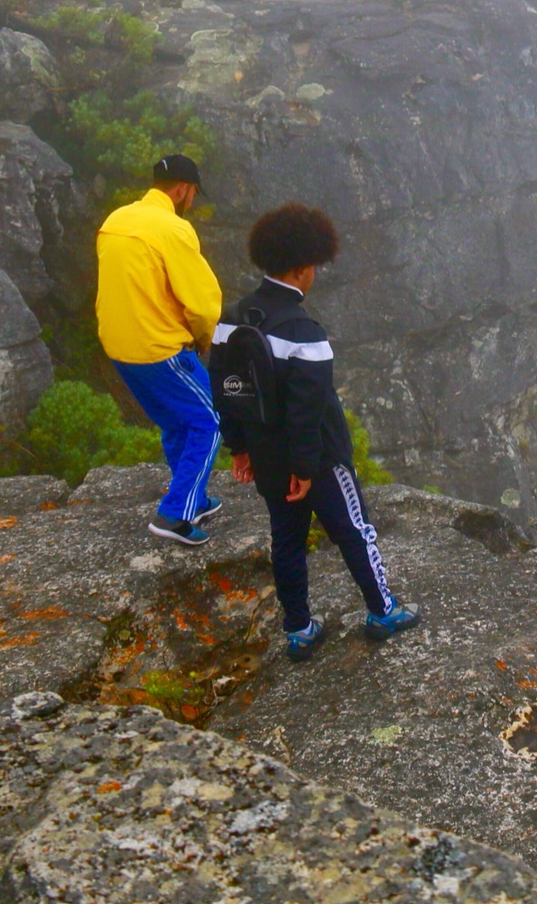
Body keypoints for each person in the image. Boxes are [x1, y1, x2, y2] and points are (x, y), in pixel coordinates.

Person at [212, 202, 421, 660]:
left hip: (266, 455)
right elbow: (309, 409)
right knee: (354, 530)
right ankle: (383, 610)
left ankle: (299, 629)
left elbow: (225, 390)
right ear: (304, 269)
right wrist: (306, 467)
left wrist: (239, 448)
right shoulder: (304, 330)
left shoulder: (231, 320)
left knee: (286, 540)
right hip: (320, 460)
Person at [96, 152, 224, 547]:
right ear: (184, 190)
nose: (192, 202)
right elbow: (203, 304)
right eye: (193, 194)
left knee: (175, 421)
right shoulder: (173, 229)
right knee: (210, 421)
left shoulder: (115, 221)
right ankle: (175, 515)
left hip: (120, 348)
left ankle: (195, 496)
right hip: (160, 349)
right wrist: (204, 339)